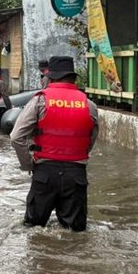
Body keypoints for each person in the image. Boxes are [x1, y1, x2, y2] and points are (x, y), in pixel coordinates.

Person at [10, 56, 98, 232]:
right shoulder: (89, 104)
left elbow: (16, 137)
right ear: (73, 78)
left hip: (44, 174)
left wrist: (28, 164)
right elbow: (91, 139)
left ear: (50, 77)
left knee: (32, 230)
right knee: (75, 233)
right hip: (76, 175)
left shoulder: (40, 100)